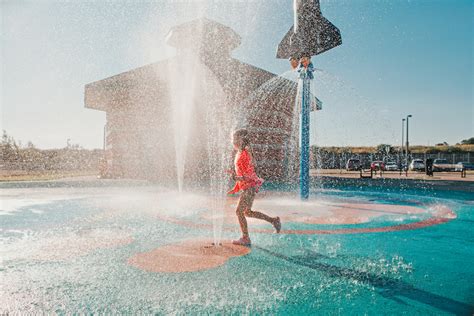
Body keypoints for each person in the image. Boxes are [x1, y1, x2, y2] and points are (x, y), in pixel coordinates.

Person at [227, 129, 281, 246]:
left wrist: (236, 178)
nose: (232, 141)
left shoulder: (245, 154)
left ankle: (245, 238)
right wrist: (236, 184)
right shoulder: (240, 154)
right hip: (247, 187)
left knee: (239, 212)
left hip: (249, 187)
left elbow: (249, 175)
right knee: (247, 212)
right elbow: (243, 173)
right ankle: (274, 220)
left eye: (234, 139)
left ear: (241, 140)